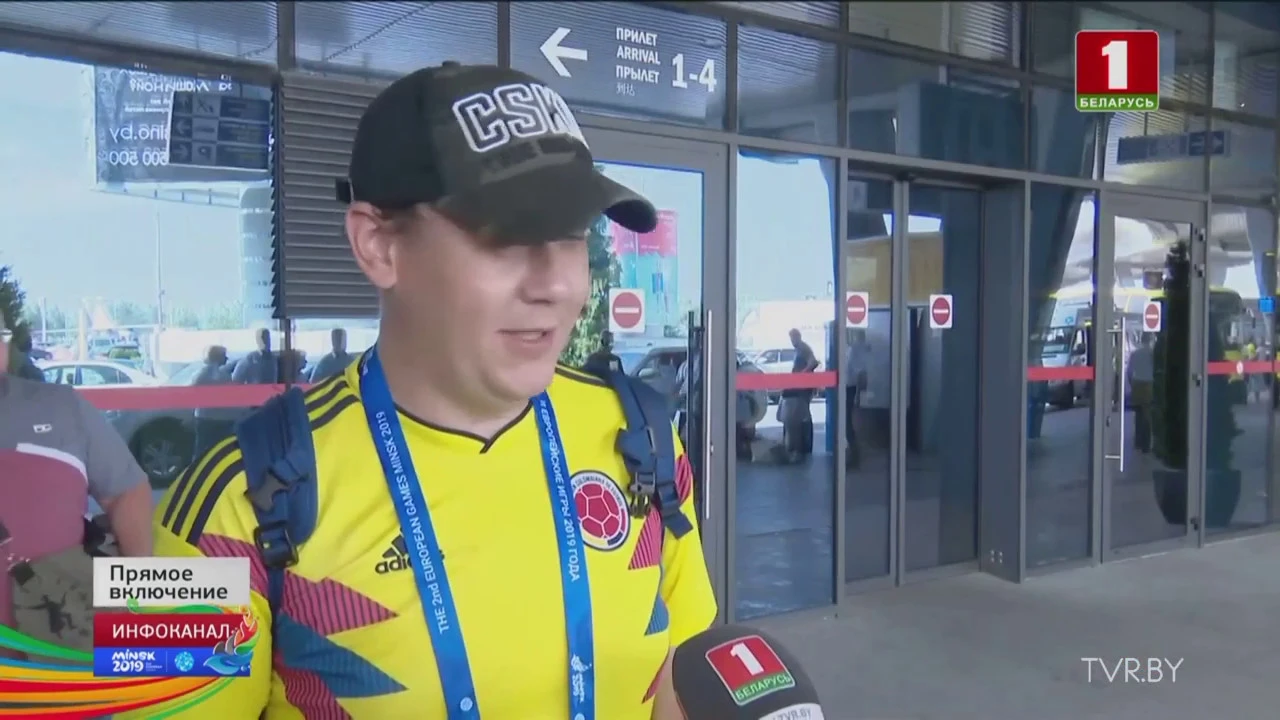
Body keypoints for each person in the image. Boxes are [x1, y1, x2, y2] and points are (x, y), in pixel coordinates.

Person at [150, 62, 714, 719]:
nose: (556, 284)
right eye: (507, 236)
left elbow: (683, 684)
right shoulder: (219, 504)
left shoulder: (644, 437)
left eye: (570, 238)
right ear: (377, 245)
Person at [0, 313, 153, 652]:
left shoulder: (61, 407)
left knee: (215, 645)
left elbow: (126, 492)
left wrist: (135, 594)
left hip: (64, 649)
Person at [780, 328, 819, 462]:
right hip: (800, 386)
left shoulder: (803, 348)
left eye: (793, 338)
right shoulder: (799, 349)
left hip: (804, 388)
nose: (792, 341)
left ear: (798, 337)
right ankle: (802, 446)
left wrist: (802, 376)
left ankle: (803, 446)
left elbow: (813, 362)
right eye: (791, 338)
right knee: (801, 415)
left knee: (802, 415)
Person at [845, 330, 871, 469]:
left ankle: (855, 455)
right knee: (848, 422)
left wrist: (859, 395)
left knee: (848, 423)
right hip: (850, 388)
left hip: (850, 388)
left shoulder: (855, 350)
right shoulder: (855, 350)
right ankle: (853, 454)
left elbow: (860, 373)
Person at [1128, 334, 1154, 453]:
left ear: (1142, 340)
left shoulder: (1135, 354)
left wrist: (1132, 383)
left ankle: (1138, 442)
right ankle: (1145, 444)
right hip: (1148, 385)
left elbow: (1129, 371)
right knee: (1147, 416)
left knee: (1138, 415)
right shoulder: (1152, 354)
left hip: (1137, 384)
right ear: (1150, 340)